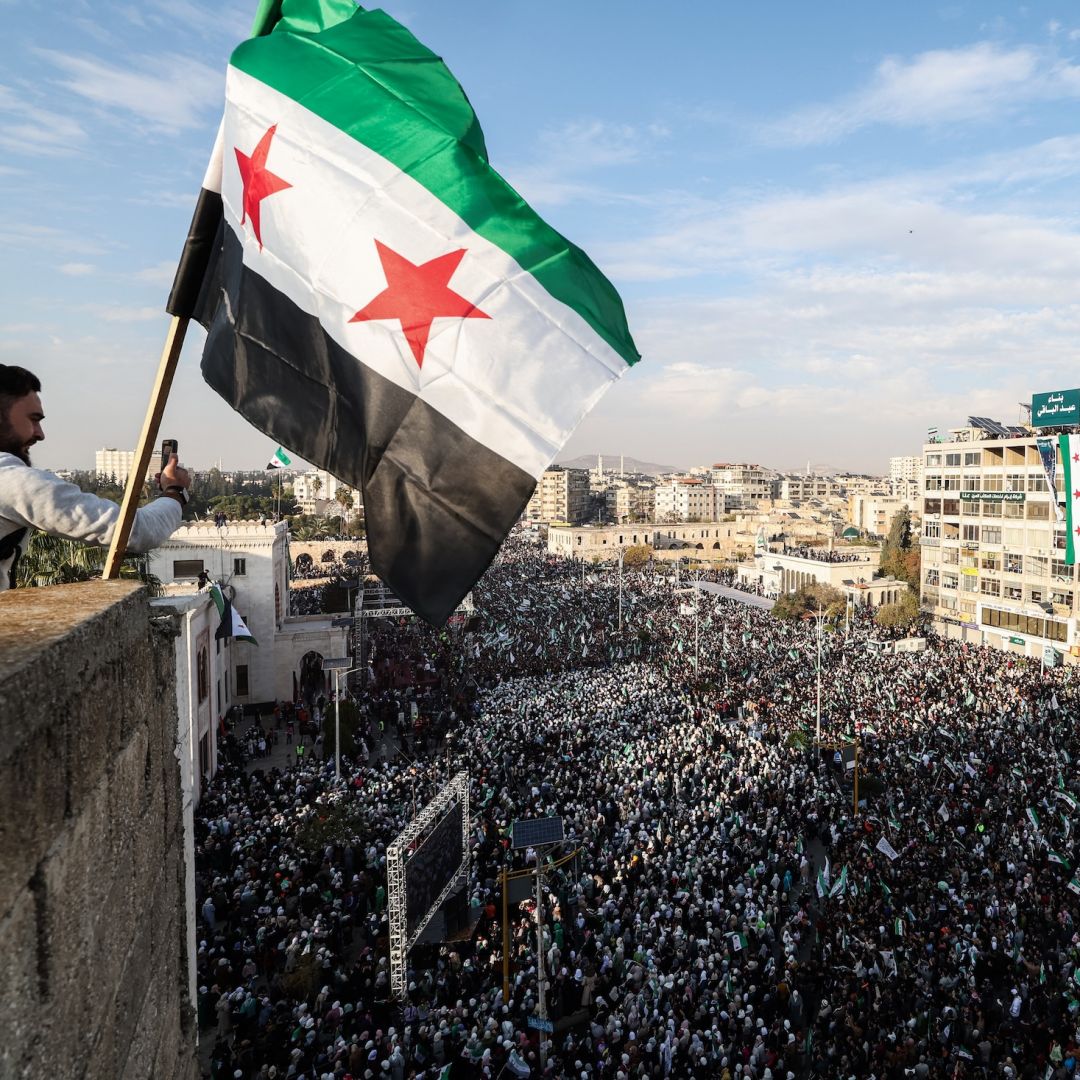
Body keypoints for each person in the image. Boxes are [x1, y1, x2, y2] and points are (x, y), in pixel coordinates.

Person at [0, 364, 191, 590]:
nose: (40, 434)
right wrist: (175, 492)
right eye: (33, 419)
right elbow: (134, 531)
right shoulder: (9, 480)